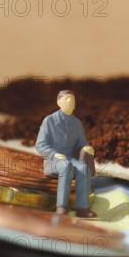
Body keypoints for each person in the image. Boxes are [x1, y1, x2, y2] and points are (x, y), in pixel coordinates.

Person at [36, 90, 97, 218]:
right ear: (58, 102)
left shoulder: (77, 124)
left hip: (72, 159)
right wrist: (54, 154)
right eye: (66, 99)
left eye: (72, 100)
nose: (70, 102)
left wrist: (86, 149)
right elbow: (40, 145)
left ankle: (82, 208)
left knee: (84, 168)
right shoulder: (49, 120)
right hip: (53, 160)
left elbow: (81, 144)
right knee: (65, 166)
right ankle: (61, 207)